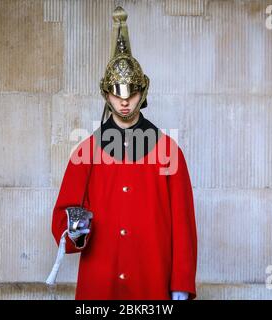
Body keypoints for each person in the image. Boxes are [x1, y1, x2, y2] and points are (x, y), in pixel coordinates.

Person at [51, 6, 197, 300]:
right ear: (106, 95)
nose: (125, 103)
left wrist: (181, 283)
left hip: (152, 277)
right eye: (117, 96)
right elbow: (62, 216)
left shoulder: (169, 151)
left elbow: (184, 225)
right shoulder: (87, 152)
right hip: (100, 279)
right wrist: (75, 229)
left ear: (143, 93)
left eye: (131, 94)